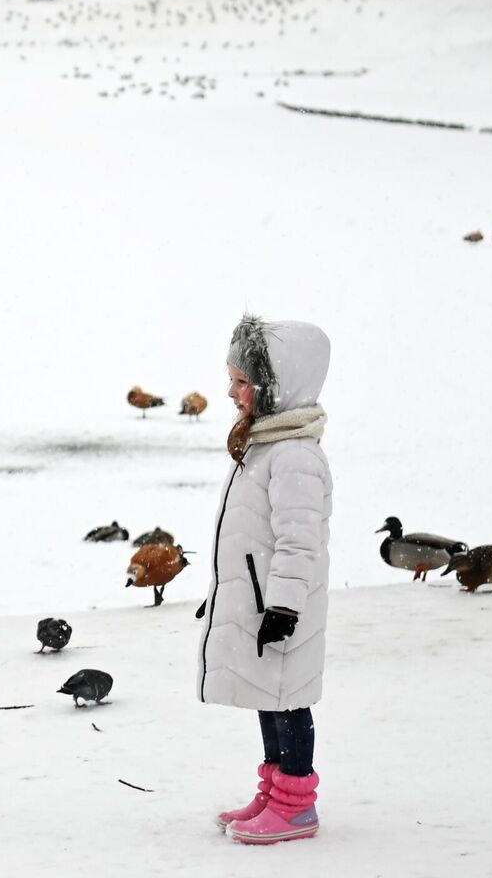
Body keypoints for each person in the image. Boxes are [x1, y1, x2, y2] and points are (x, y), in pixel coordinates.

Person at [200, 315, 332, 846]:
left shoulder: (295, 455)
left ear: (275, 387)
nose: (230, 392)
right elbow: (250, 539)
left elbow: (299, 543)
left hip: (282, 607)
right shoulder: (267, 445)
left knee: (289, 699)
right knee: (268, 696)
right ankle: (274, 792)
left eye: (241, 381)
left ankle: (297, 803)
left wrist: (283, 608)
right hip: (260, 602)